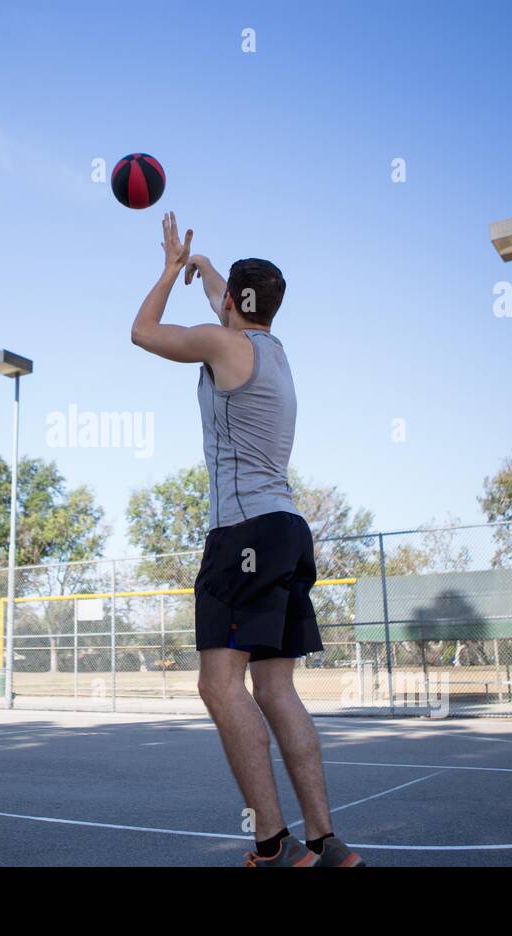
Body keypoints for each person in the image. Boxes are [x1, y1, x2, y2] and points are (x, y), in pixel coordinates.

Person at [130, 212, 364, 868]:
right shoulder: (271, 349)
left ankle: (270, 839)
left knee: (217, 683)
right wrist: (206, 271)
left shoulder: (222, 344)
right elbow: (228, 305)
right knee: (276, 689)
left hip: (243, 536)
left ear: (235, 304)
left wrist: (170, 268)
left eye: (223, 296)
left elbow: (142, 331)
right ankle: (325, 841)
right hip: (288, 531)